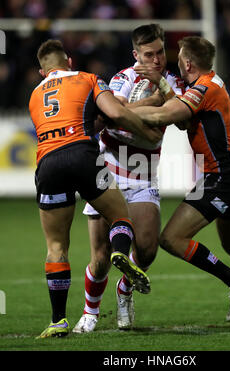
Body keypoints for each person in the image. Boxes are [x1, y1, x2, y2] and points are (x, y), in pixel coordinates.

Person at [132, 36, 230, 326]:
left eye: (179, 57)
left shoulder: (204, 88)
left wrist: (118, 112)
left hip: (222, 178)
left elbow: (165, 115)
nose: (175, 61)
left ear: (187, 62)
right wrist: (162, 84)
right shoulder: (206, 84)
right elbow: (182, 120)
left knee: (171, 238)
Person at [29, 39, 162, 338]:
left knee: (56, 247)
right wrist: (146, 132)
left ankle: (58, 320)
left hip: (47, 163)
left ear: (42, 72)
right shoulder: (86, 78)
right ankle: (120, 253)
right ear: (70, 62)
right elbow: (116, 112)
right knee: (119, 216)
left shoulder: (34, 95)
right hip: (83, 156)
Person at [73, 24, 187, 333]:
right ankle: (90, 313)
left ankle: (125, 290)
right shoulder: (122, 79)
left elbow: (179, 115)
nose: (157, 60)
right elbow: (112, 113)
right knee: (101, 257)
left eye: (161, 52)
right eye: (149, 54)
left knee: (147, 249)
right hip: (106, 171)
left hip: (143, 174)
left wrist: (137, 109)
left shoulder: (173, 82)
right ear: (136, 54)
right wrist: (151, 108)